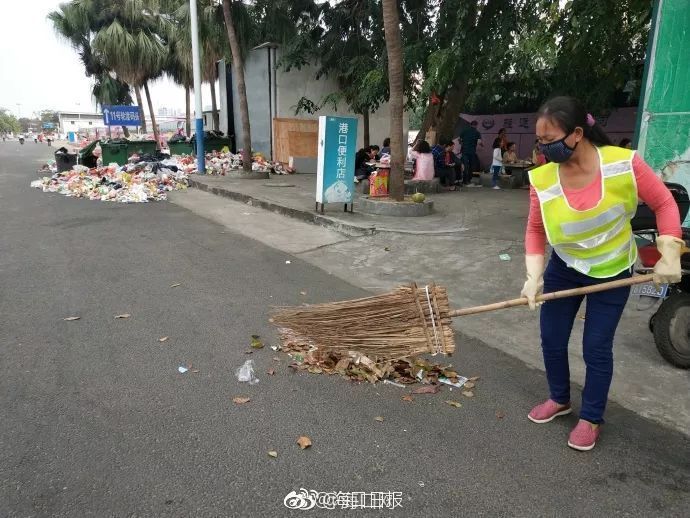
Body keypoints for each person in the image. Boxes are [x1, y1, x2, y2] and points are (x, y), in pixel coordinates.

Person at [522, 96, 682, 451]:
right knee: (551, 337)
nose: (543, 148)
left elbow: (664, 203)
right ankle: (560, 398)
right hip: (565, 267)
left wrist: (669, 251)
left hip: (613, 269)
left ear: (577, 134)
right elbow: (535, 230)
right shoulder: (543, 179)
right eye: (540, 141)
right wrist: (533, 276)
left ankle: (591, 417)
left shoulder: (623, 164)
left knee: (595, 346)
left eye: (550, 141)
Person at [460, 120, 483, 185]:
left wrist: (462, 144)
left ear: (470, 125)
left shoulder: (464, 131)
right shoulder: (477, 133)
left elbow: (460, 139)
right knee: (471, 166)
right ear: (476, 125)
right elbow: (479, 142)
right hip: (472, 152)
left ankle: (464, 180)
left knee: (465, 166)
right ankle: (468, 180)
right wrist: (482, 145)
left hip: (464, 151)